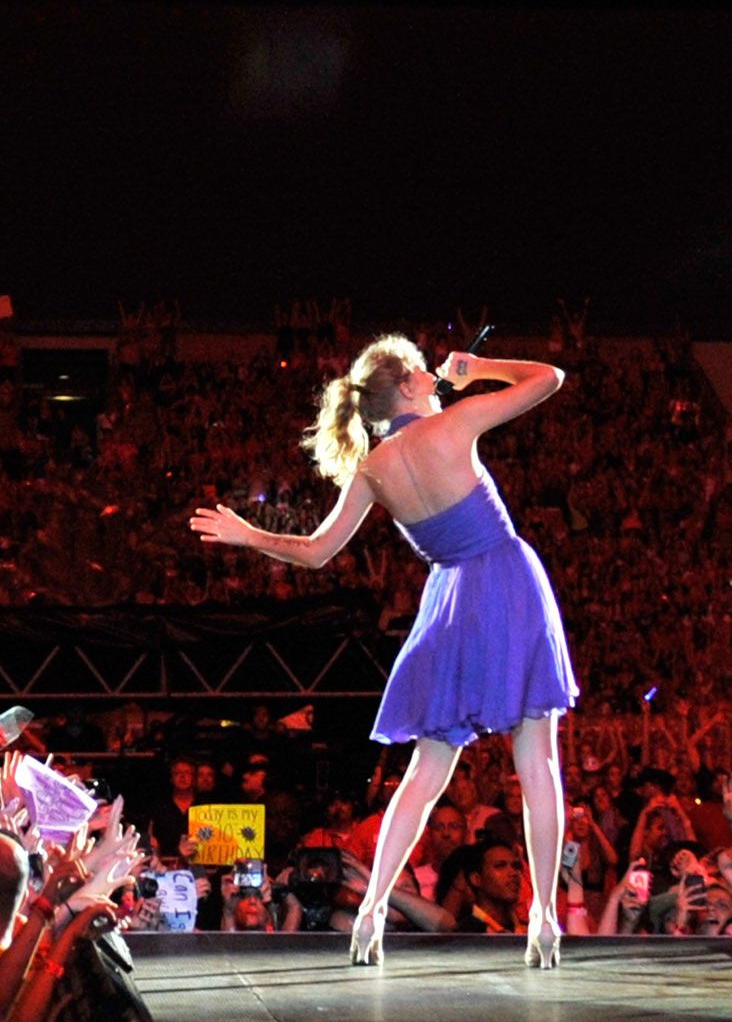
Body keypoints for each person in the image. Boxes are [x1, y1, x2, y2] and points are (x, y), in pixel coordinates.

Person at [192, 338, 578, 968]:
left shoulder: (374, 469)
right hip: (504, 584)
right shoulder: (457, 421)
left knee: (428, 773)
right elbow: (550, 378)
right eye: (422, 366)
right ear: (405, 386)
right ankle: (544, 917)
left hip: (450, 603)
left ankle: (372, 909)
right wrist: (480, 370)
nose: (435, 369)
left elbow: (315, 552)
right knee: (536, 758)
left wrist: (248, 534)